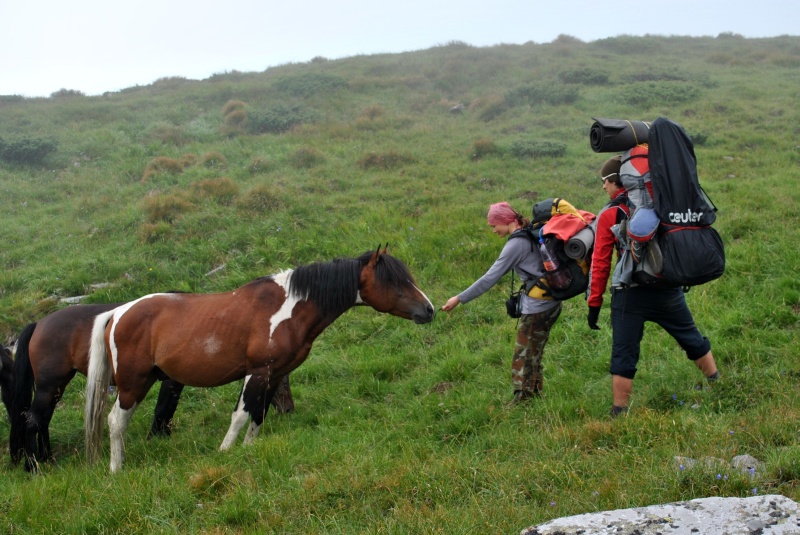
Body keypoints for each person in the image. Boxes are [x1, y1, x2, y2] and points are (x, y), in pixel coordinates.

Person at [587, 156, 720, 417]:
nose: (603, 187)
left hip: (629, 293)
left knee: (624, 352)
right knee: (690, 336)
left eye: (605, 181)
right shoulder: (663, 203)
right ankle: (716, 382)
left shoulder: (610, 213)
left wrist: (594, 303)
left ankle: (619, 412)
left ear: (616, 181)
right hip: (666, 286)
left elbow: (600, 263)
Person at [441, 201, 562, 404]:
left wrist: (459, 298)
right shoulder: (529, 233)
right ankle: (535, 394)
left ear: (506, 221)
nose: (493, 230)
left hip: (537, 306)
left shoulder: (516, 244)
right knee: (534, 350)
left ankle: (523, 399)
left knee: (523, 354)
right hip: (551, 302)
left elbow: (490, 278)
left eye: (494, 225)